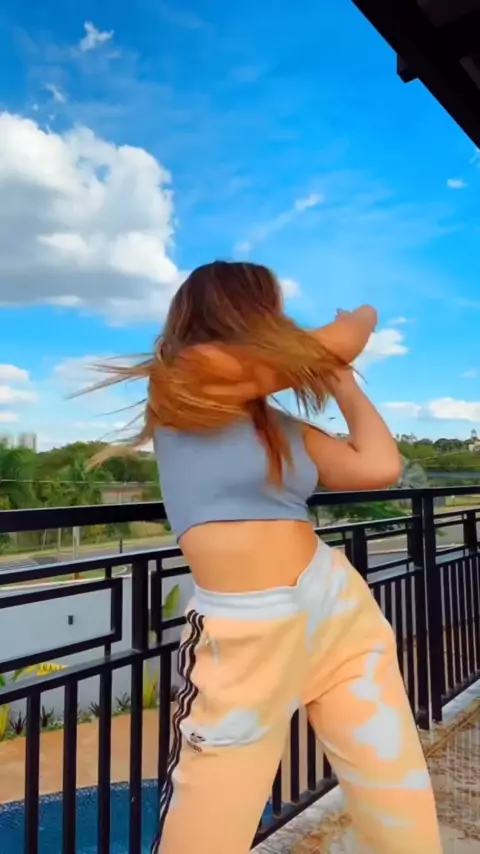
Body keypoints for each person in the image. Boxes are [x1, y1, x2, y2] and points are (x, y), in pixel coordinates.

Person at [92, 261, 441, 854]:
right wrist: (361, 320)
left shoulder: (279, 425)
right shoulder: (182, 381)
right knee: (210, 818)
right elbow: (343, 337)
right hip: (247, 627)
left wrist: (342, 381)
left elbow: (379, 466)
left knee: (395, 795)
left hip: (336, 606)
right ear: (240, 310)